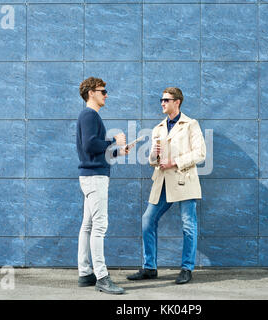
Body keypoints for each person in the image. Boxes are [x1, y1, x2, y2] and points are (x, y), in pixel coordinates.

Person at [127, 87, 206, 284]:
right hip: (162, 181)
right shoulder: (158, 128)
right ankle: (149, 267)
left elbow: (200, 153)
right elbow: (154, 161)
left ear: (177, 102)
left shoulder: (190, 125)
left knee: (188, 224)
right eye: (161, 100)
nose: (162, 103)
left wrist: (175, 162)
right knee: (147, 220)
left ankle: (187, 268)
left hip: (183, 180)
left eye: (166, 100)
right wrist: (155, 154)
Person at [76, 77, 129, 295]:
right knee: (99, 226)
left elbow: (92, 150)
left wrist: (117, 152)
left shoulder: (88, 115)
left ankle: (85, 272)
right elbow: (90, 144)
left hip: (90, 175)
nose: (106, 94)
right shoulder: (90, 114)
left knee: (88, 226)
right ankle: (102, 277)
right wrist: (113, 141)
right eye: (103, 91)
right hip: (95, 178)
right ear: (91, 93)